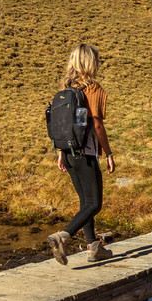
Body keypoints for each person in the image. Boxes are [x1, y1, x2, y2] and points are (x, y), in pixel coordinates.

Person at [47, 43, 115, 265]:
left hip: (67, 152)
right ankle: (63, 237)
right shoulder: (93, 89)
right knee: (94, 203)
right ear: (90, 62)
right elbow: (97, 125)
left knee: (85, 202)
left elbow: (60, 125)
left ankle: (93, 247)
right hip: (85, 153)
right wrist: (108, 152)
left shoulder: (65, 89)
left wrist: (60, 153)